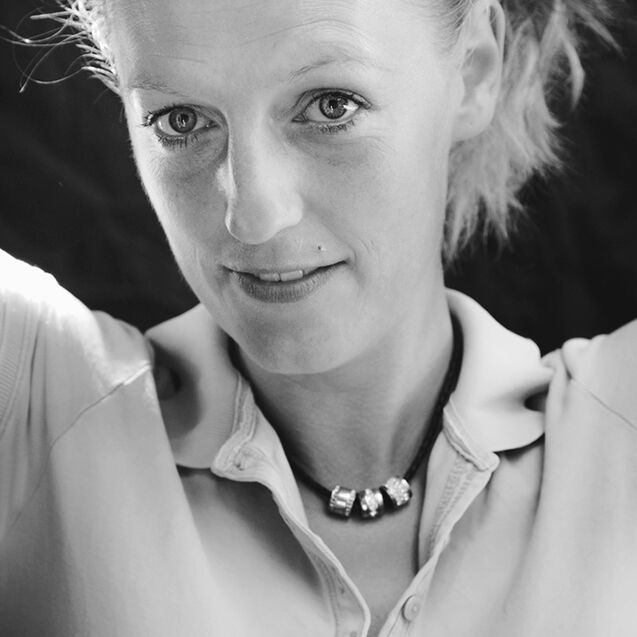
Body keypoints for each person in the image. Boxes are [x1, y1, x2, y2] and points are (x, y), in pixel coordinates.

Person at [0, 1, 632, 636]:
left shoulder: (619, 427)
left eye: (332, 106)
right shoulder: (38, 413)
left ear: (473, 72)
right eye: (180, 120)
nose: (253, 216)